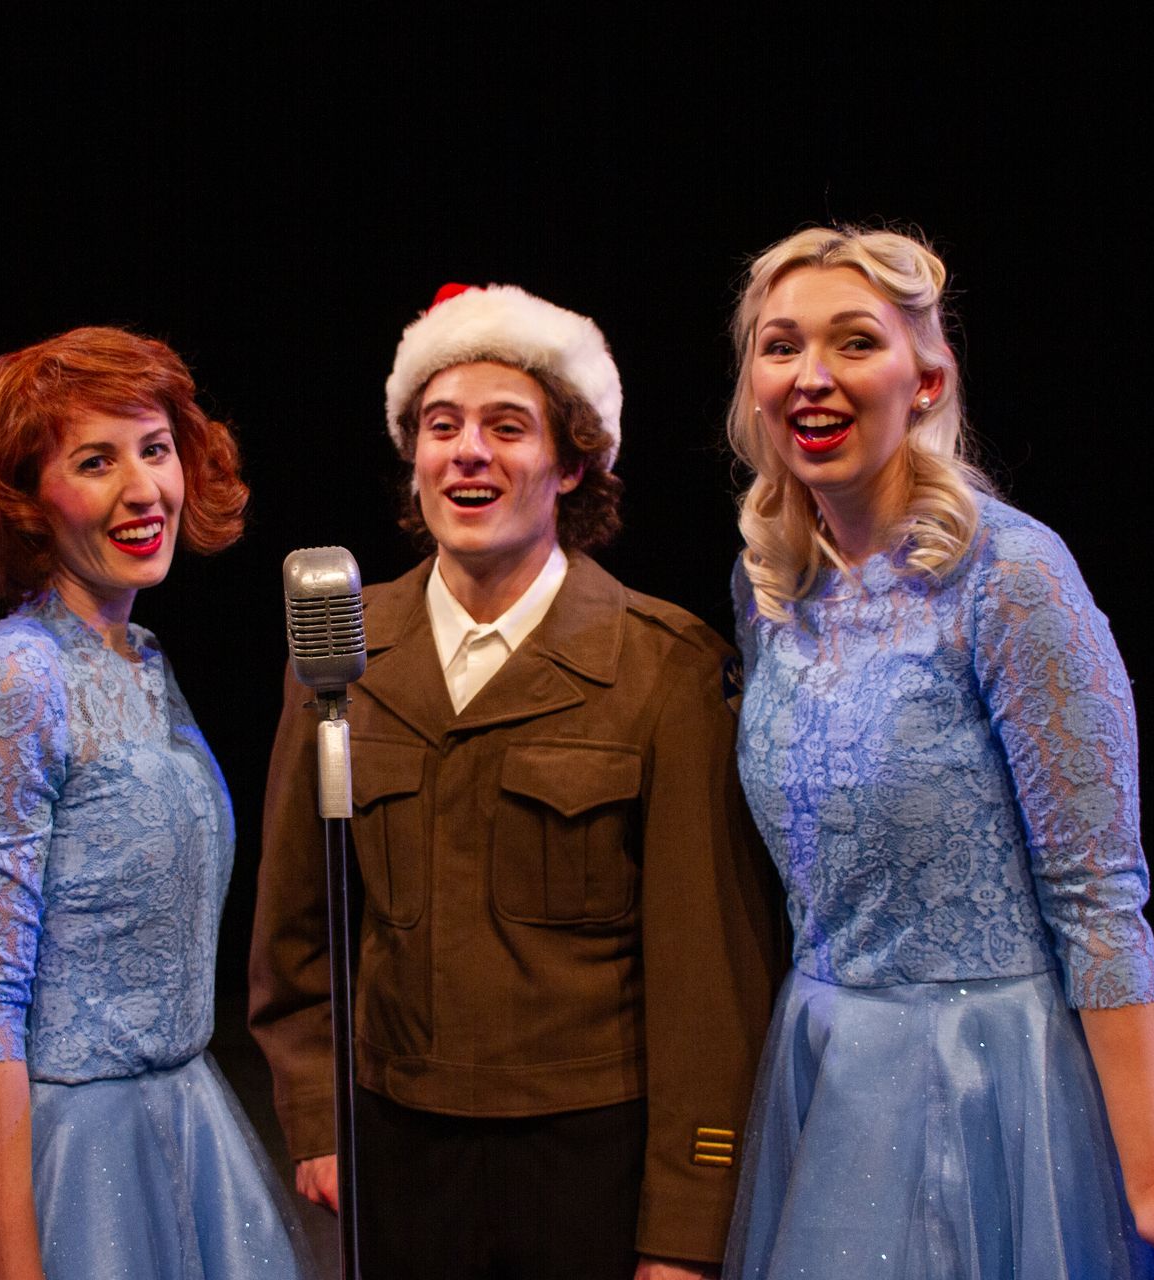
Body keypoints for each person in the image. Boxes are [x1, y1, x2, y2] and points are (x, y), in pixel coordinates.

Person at [720, 225, 1154, 1278]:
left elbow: (1099, 890)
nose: (812, 377)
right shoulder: (772, 584)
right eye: (781, 346)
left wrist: (1150, 1172)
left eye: (855, 342)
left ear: (927, 379)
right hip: (828, 1068)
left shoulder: (1012, 575)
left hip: (995, 1082)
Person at [250, 283, 784, 1278]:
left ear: (573, 461)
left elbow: (707, 981)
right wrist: (317, 1112)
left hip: (588, 1159)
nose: (467, 452)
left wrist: (685, 1225)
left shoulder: (663, 667)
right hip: (396, 1152)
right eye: (440, 425)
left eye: (508, 426)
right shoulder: (340, 653)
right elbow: (296, 928)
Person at [0, 327, 311, 1280]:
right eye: (95, 461)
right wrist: (15, 1263)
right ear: (27, 499)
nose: (144, 489)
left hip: (186, 1119)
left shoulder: (143, 661)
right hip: (76, 1147)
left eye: (155, 449)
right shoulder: (16, 678)